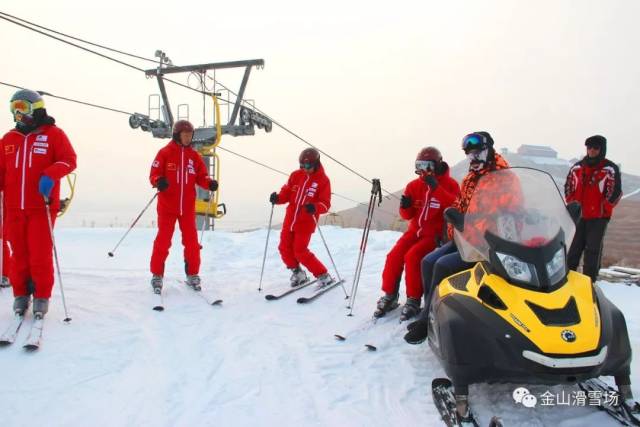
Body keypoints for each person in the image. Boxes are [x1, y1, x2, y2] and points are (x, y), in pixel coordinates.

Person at [404, 131, 510, 344]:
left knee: (442, 265)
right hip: (465, 238)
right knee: (427, 261)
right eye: (469, 154)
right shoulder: (472, 176)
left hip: (487, 243)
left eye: (478, 153)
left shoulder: (503, 178)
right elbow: (460, 203)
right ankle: (430, 311)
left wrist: (466, 223)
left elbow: (502, 213)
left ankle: (427, 321)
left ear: (489, 150)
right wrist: (454, 216)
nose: (474, 158)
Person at [0, 89, 77, 318]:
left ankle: (41, 295)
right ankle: (21, 294)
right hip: (14, 207)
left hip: (41, 207)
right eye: (14, 109)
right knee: (19, 254)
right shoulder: (8, 139)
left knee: (40, 253)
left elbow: (69, 160)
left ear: (36, 108)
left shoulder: (54, 134)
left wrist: (50, 174)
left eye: (22, 108)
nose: (18, 114)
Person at [374, 147, 460, 320]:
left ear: (437, 165)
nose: (423, 170)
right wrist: (405, 207)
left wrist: (436, 188)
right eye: (419, 165)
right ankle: (390, 295)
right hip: (414, 232)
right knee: (394, 256)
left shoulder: (450, 185)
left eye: (427, 165)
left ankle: (413, 300)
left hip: (434, 235)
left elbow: (455, 206)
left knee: (413, 257)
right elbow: (407, 215)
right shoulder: (414, 185)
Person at [149, 120, 218, 293]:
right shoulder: (165, 153)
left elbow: (202, 176)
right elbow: (154, 174)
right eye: (185, 135)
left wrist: (209, 183)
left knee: (192, 243)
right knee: (163, 241)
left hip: (187, 207)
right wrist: (159, 181)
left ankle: (193, 274)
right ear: (177, 135)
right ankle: (157, 275)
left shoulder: (193, 157)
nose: (188, 138)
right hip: (167, 206)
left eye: (190, 135)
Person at [270, 148, 334, 288]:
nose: (305, 169)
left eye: (308, 166)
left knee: (300, 251)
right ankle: (298, 273)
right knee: (284, 248)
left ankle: (323, 275)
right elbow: (286, 193)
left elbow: (325, 204)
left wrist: (315, 207)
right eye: (302, 166)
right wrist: (277, 198)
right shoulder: (295, 175)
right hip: (290, 219)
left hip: (306, 222)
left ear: (316, 164)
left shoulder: (323, 180)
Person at [564, 135, 622, 283]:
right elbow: (568, 186)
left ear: (602, 149)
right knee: (573, 249)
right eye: (589, 147)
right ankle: (568, 279)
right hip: (578, 216)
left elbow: (615, 192)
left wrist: (603, 208)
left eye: (595, 148)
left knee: (592, 250)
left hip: (598, 217)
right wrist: (572, 204)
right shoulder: (577, 167)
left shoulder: (609, 169)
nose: (592, 151)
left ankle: (590, 282)